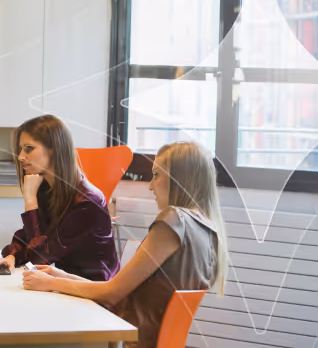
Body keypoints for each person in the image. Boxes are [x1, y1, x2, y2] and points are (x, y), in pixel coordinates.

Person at [22, 142, 229, 348]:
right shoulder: (207, 229)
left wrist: (50, 284)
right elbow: (119, 290)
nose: (150, 185)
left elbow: (113, 293)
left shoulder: (174, 221)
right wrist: (61, 276)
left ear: (179, 178)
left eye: (156, 175)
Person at [0, 115, 119, 281]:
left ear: (54, 149)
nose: (20, 157)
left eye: (28, 148)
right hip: (66, 285)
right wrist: (12, 257)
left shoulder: (87, 201)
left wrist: (30, 200)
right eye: (20, 149)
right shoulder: (47, 188)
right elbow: (28, 238)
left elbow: (39, 256)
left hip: (93, 294)